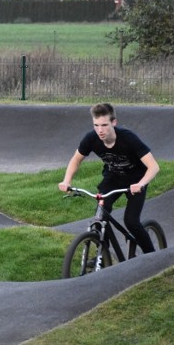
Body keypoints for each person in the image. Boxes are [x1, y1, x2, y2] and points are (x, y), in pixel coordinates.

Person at [58, 103, 160, 254]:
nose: (100, 130)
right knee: (100, 217)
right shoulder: (91, 138)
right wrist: (67, 181)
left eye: (104, 125)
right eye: (96, 125)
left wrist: (141, 184)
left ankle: (152, 256)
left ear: (114, 123)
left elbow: (154, 167)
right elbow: (76, 160)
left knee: (131, 222)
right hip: (113, 178)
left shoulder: (128, 138)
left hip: (137, 180)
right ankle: (102, 254)